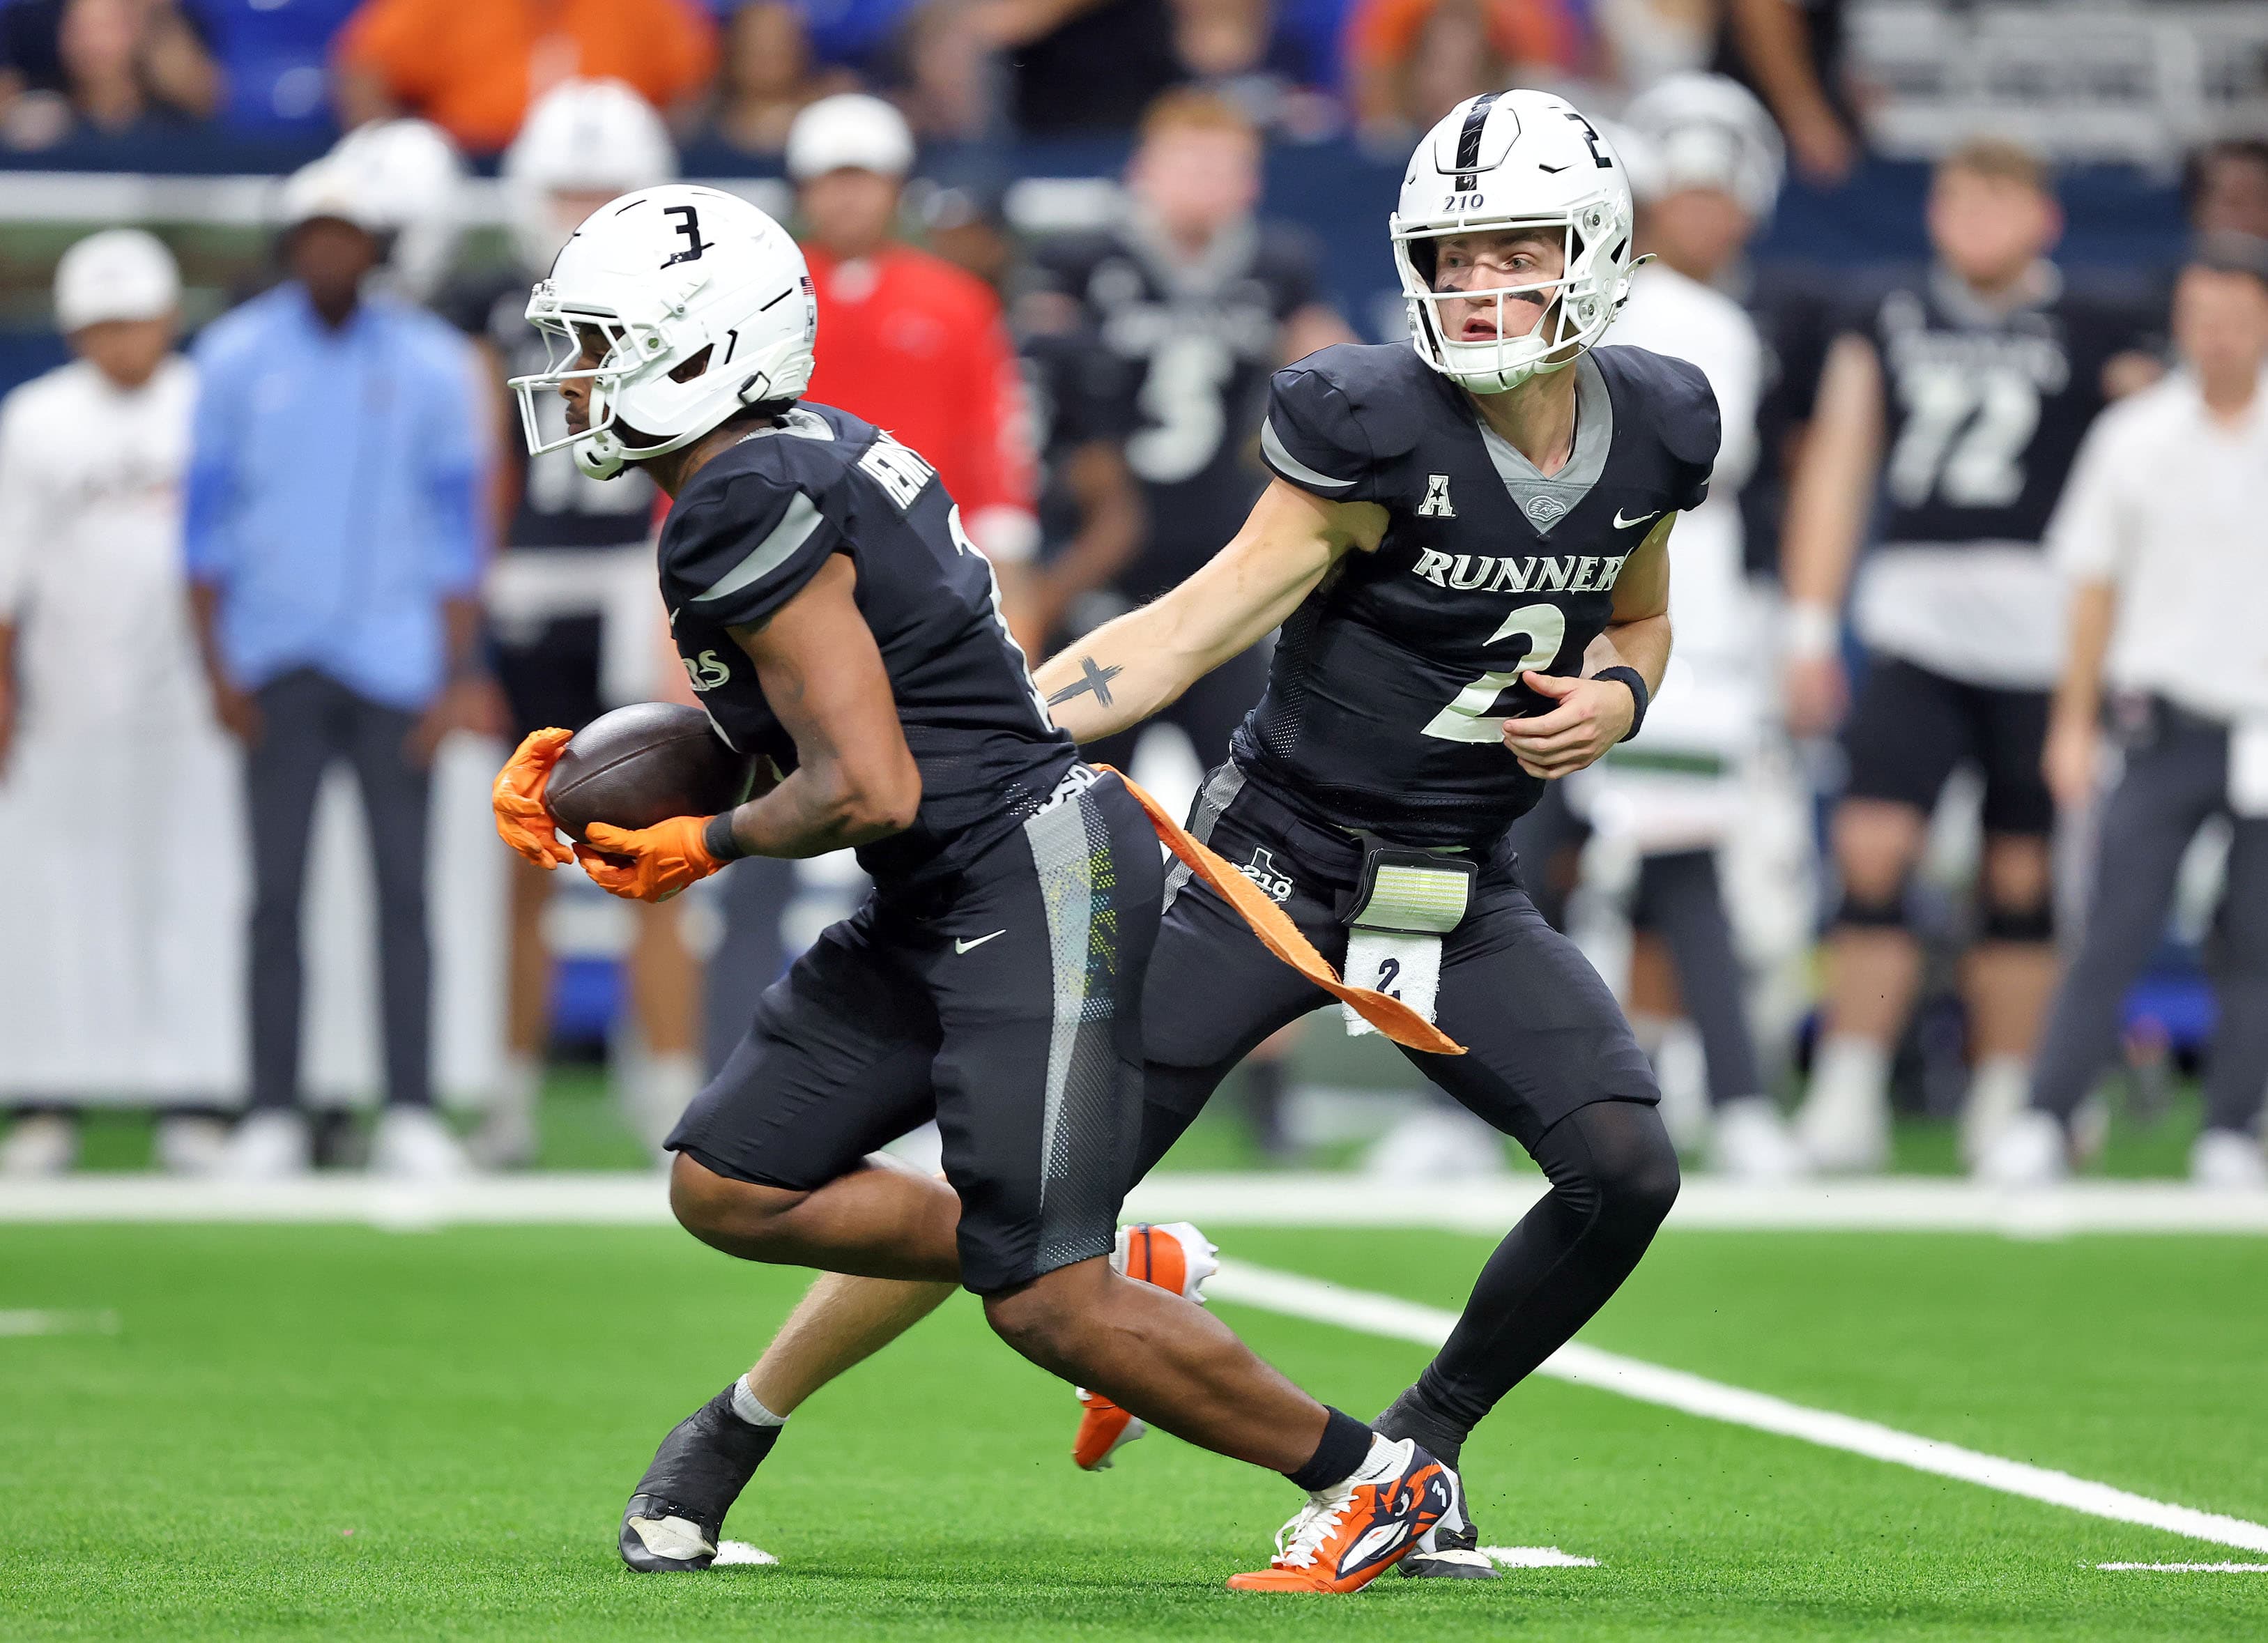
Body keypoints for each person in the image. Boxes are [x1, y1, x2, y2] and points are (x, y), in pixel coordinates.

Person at [572, 89, 1707, 1581]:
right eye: (1456, 250)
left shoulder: (1660, 422)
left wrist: (1618, 698)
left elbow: (1641, 612)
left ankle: (1416, 1448)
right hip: (1267, 867)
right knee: (1029, 1211)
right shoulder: (1373, 425)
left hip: (1455, 884)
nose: (1483, 282)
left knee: (1622, 1163)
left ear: (1597, 248)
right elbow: (1185, 629)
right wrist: (1012, 741)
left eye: (1517, 248)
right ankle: (739, 1420)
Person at [490, 181, 1456, 1593]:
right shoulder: (802, 452)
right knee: (731, 1179)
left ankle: (1378, 1477)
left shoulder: (739, 499)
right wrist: (615, 768)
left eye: (599, 344)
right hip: (956, 868)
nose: (572, 378)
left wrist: (705, 842)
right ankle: (1103, 1240)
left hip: (1022, 867)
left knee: (1048, 1303)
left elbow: (865, 780)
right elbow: (843, 719)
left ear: (697, 352)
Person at [1781, 138, 2155, 1174]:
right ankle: (1847, 1089)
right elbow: (1838, 467)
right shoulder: (1888, 310)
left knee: (2021, 874)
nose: (1974, 220)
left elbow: (2147, 475)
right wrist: (1811, 625)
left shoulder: (2098, 322)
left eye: (1997, 199)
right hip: (1914, 616)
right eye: (1956, 198)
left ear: (2045, 218)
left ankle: (2009, 1098)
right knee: (1869, 848)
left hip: (2043, 630)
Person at [1033, 88, 1351, 1158]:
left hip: (1224, 596)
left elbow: (1354, 389)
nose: (1205, 187)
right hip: (1104, 587)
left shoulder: (1277, 270)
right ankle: (1036, 1051)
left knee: (1262, 845)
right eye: (1187, 162)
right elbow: (1035, 408)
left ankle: (1265, 1084)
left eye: (1224, 166)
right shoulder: (1078, 266)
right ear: (1143, 168)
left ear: (1249, 182)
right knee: (1056, 828)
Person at [703, 91, 1046, 1080]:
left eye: (864, 176)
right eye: (830, 177)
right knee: (766, 834)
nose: (847, 196)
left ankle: (920, 1079)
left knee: (925, 844)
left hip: (916, 611)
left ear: (894, 188)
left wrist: (1009, 600)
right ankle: (734, 1061)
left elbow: (995, 464)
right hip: (777, 604)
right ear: (804, 190)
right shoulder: (767, 304)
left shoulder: (953, 302)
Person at [186, 158, 493, 1179]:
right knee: (274, 894)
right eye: (313, 231)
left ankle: (408, 1106)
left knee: (404, 893)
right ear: (289, 243)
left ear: (377, 247)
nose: (330, 250)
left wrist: (454, 671)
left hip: (396, 660)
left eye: (349, 233)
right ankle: (271, 1107)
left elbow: (459, 527)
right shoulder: (232, 357)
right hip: (274, 656)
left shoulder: (429, 362)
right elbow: (206, 527)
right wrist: (217, 667)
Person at [1540, 70, 1800, 1180]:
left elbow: (1685, 475)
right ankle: (1463, 1114)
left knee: (1683, 865)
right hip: (1536, 604)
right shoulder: (1557, 302)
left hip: (1669, 608)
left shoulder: (1713, 328)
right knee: (1510, 857)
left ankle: (1737, 1097)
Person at [440, 77, 697, 1163]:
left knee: (663, 855)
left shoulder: (683, 299)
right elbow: (468, 473)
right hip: (527, 588)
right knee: (522, 857)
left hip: (635, 585)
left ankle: (672, 1103)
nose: (586, 201)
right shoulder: (488, 303)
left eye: (606, 181)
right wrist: (464, 636)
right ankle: (507, 1098)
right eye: (569, 182)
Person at [1981, 238, 2268, 1191]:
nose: (2217, 339)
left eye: (2235, 318)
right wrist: (2072, 722)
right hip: (2164, 719)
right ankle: (2044, 1115)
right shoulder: (2134, 434)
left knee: (2257, 935)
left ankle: (2231, 1124)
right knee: (2115, 923)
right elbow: (2091, 589)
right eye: (2202, 319)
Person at [0, 229, 233, 1177]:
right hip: (67, 697)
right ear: (71, 332)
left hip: (192, 696)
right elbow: (8, 569)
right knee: (57, 897)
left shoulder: (209, 407)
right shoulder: (36, 419)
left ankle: (197, 1096)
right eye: (100, 325)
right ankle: (48, 1097)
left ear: (168, 319)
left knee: (198, 889)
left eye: (133, 321)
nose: (119, 341)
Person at [330, 0, 717, 154]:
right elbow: (366, 67)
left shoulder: (643, 7)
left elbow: (692, 84)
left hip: (604, 172)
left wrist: (654, 155)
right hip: (476, 165)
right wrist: (397, 153)